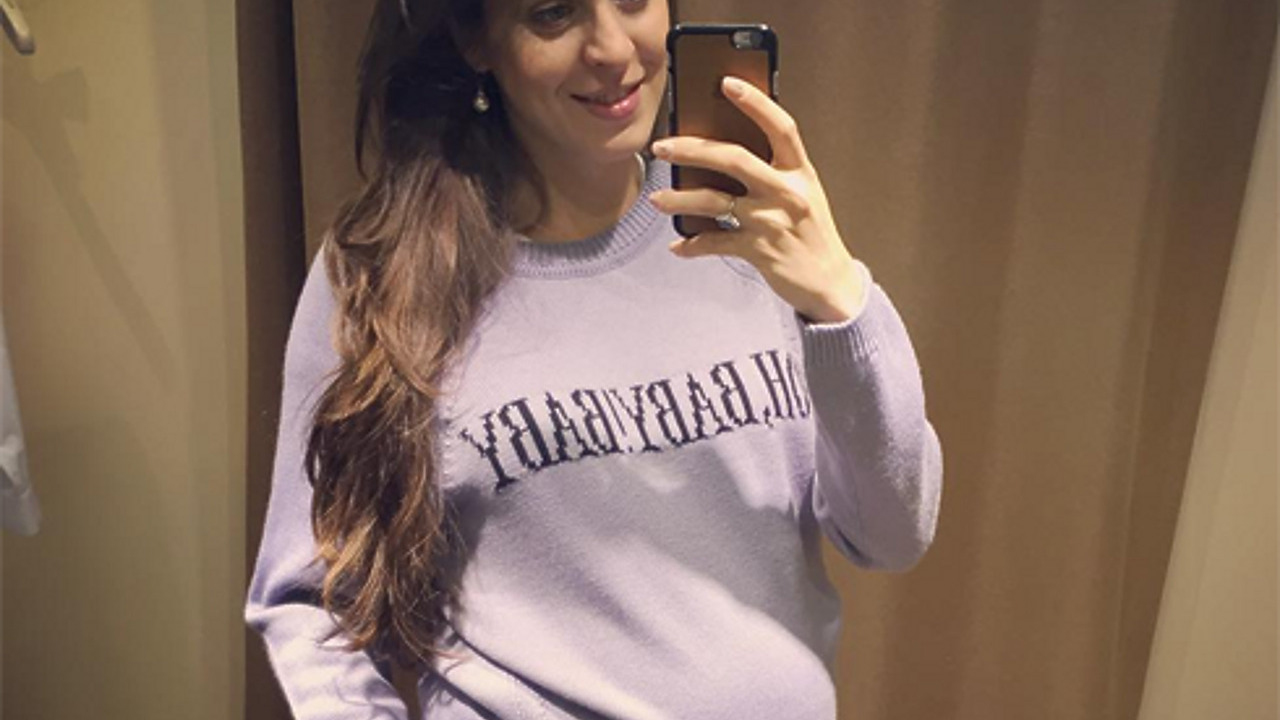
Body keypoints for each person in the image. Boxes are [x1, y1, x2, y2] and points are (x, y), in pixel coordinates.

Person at [244, 0, 943, 717]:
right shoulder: (384, 272)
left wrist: (839, 300)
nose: (612, 49)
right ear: (476, 39)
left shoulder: (756, 235)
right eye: (554, 13)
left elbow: (891, 535)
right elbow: (313, 603)